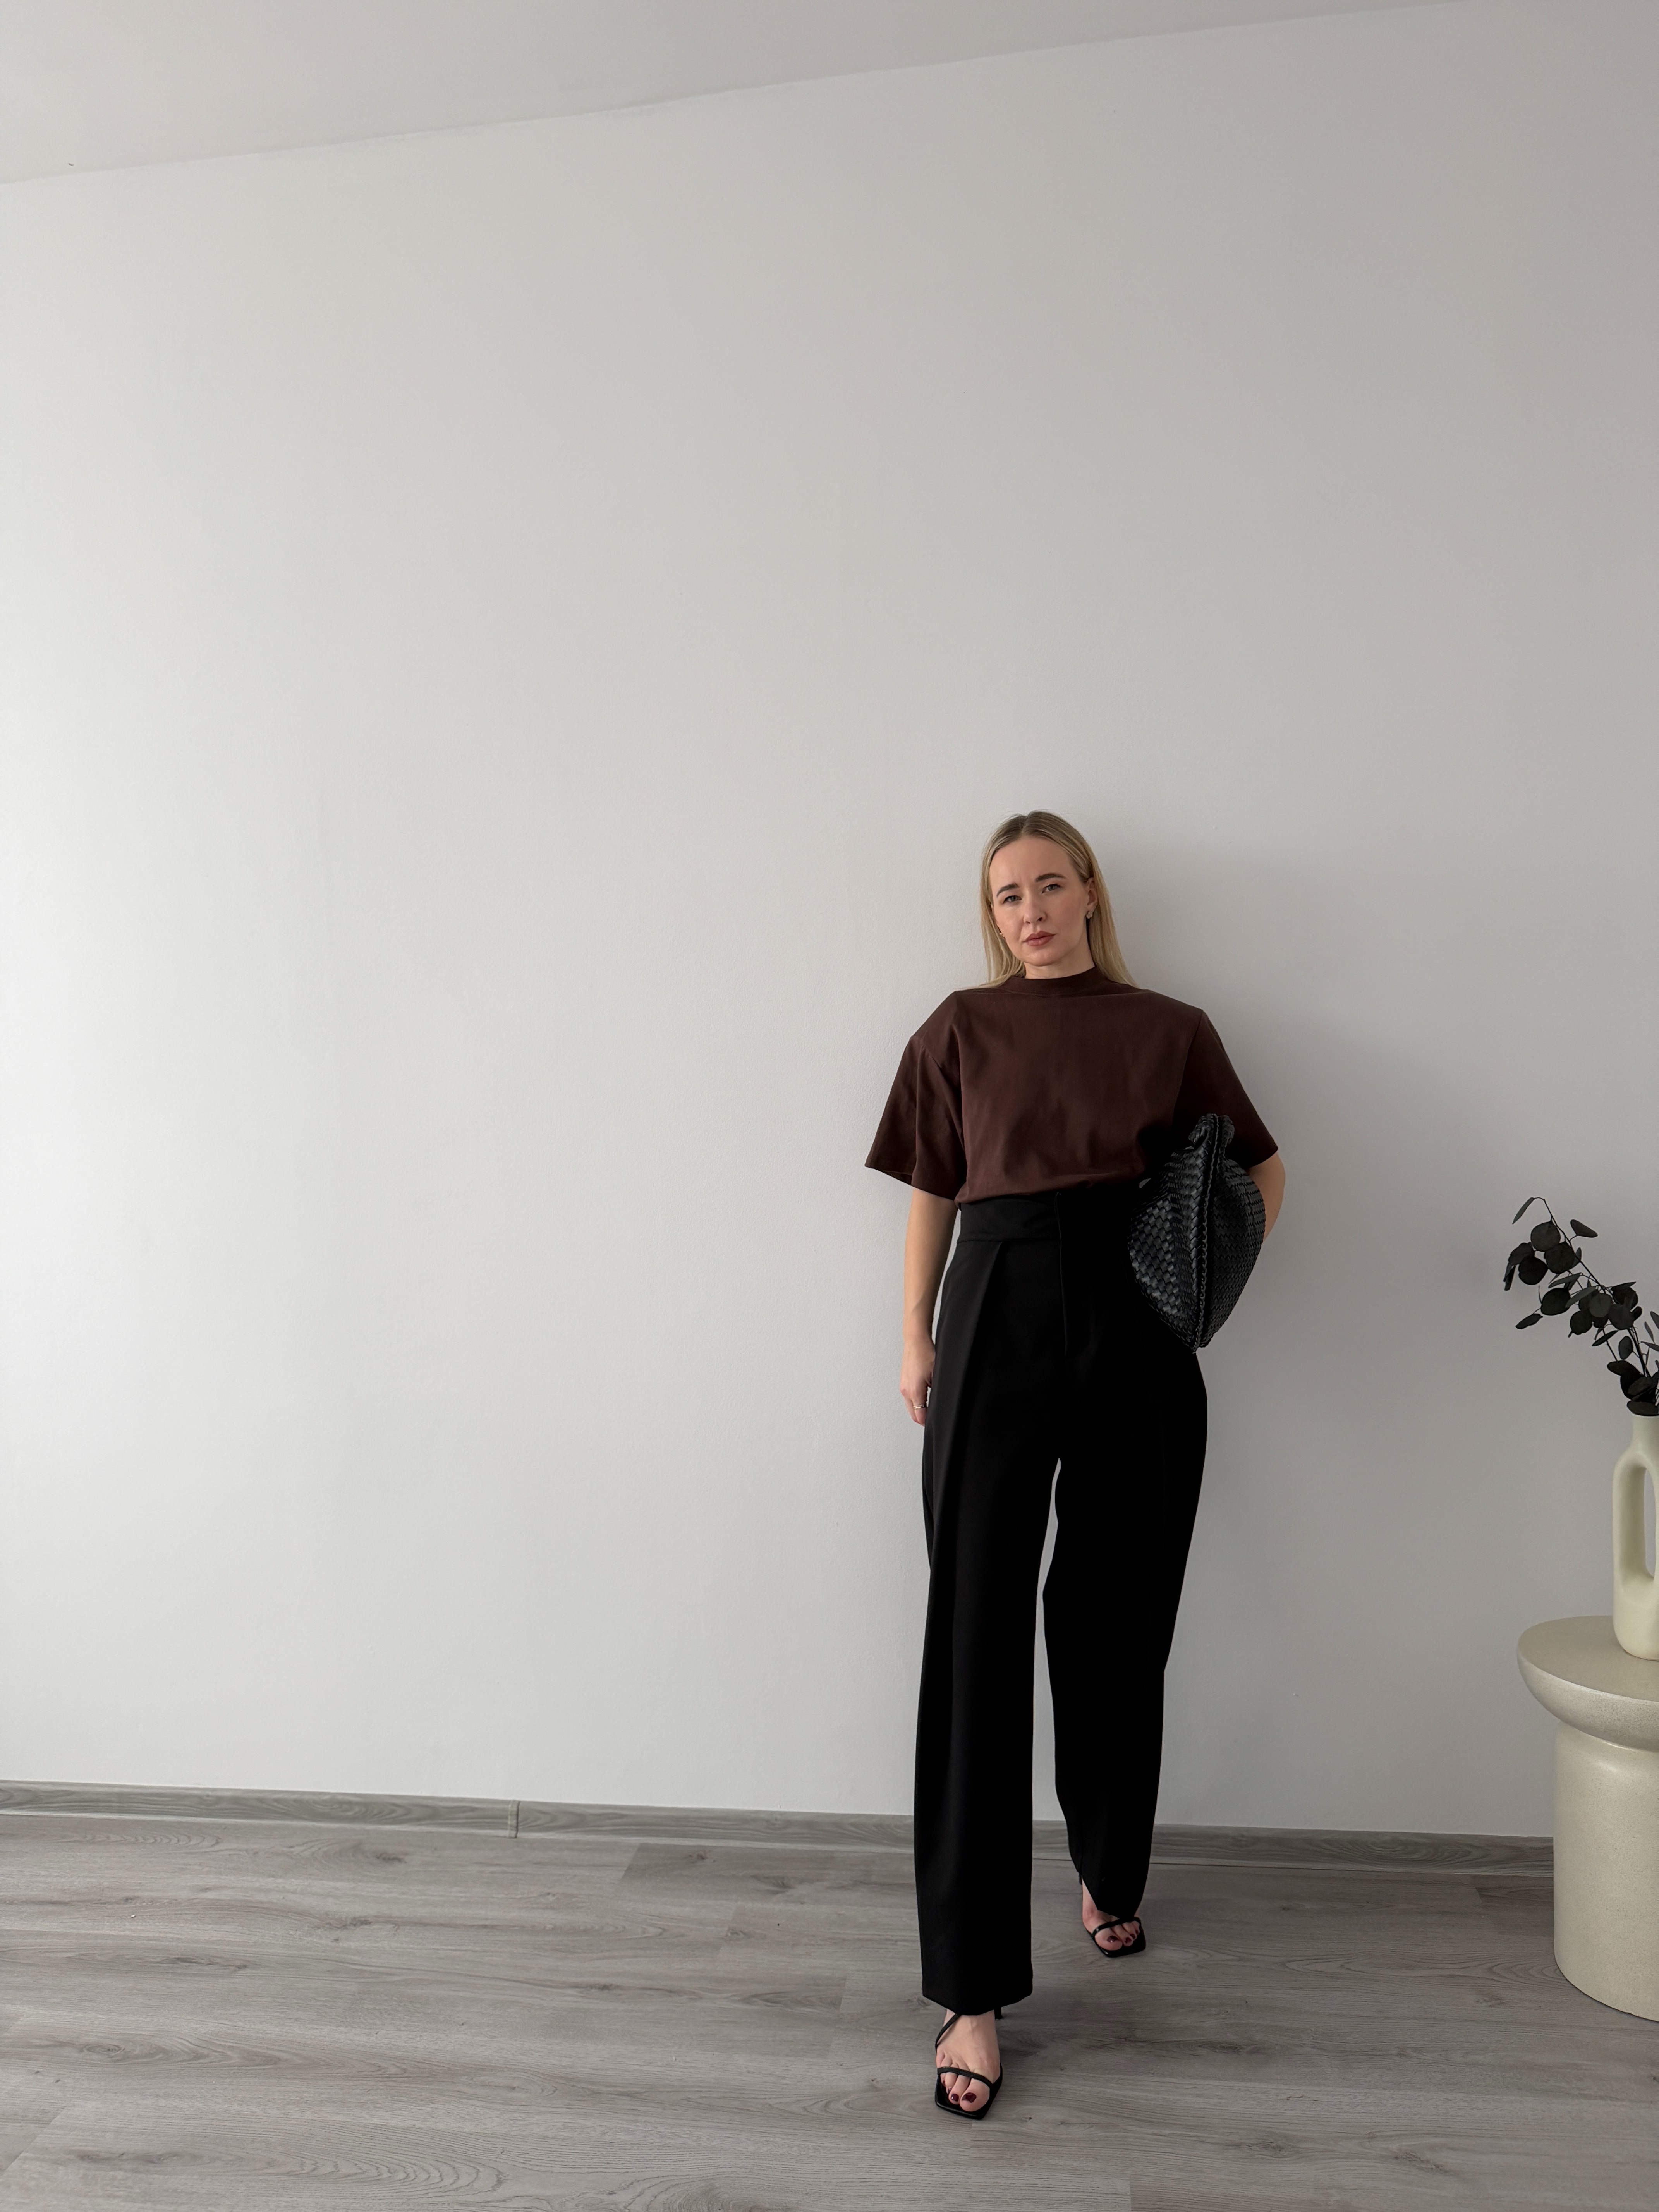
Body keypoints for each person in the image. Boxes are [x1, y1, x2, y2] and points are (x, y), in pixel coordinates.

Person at [866, 810, 1284, 2118]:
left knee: (1116, 1610)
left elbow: (1261, 1169)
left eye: (1050, 885)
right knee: (973, 1633)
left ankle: (1108, 1864)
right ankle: (969, 1990)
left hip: (1132, 1318)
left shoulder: (1169, 1027)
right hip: (992, 1306)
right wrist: (914, 1334)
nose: (1030, 911)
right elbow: (933, 1184)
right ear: (990, 915)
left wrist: (1200, 1289)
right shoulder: (959, 1028)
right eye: (1007, 895)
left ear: (1090, 892)